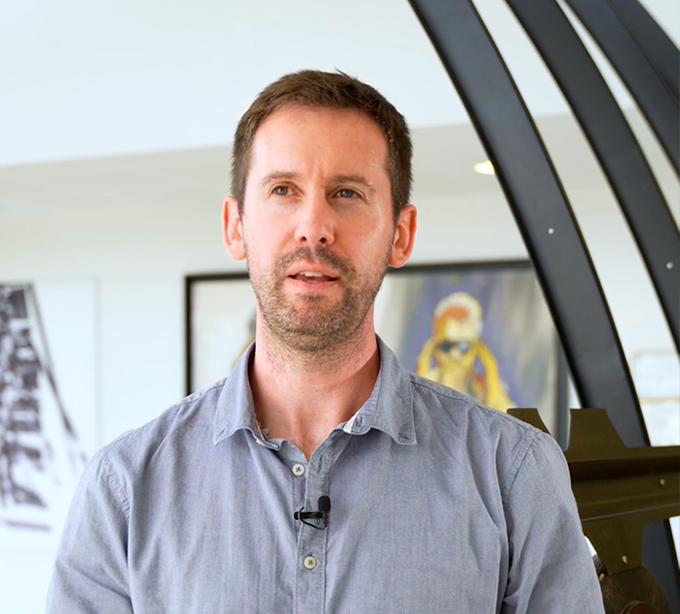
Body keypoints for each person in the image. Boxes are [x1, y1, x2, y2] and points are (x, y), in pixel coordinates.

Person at [47, 70, 605, 613]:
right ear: (235, 226)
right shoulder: (125, 487)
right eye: (283, 190)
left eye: (346, 192)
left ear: (401, 234)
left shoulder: (513, 473)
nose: (313, 226)